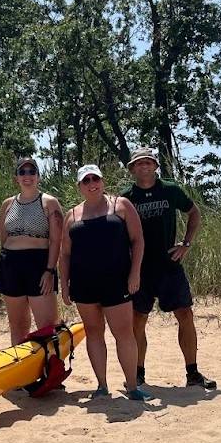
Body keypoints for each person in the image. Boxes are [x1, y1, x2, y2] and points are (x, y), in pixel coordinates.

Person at [121, 147, 217, 390]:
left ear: (155, 165)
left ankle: (192, 373)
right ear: (132, 169)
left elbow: (194, 213)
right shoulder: (126, 198)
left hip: (169, 265)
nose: (144, 166)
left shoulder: (171, 190)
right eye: (138, 163)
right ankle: (138, 373)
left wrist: (186, 243)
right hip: (140, 268)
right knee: (138, 319)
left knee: (185, 314)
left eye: (148, 162)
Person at [59, 164, 150, 401]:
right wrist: (65, 285)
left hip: (117, 281)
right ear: (79, 186)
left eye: (95, 179)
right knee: (93, 332)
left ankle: (132, 387)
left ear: (102, 180)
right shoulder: (73, 215)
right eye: (86, 180)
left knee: (124, 333)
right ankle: (101, 386)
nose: (92, 184)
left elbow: (138, 241)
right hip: (84, 283)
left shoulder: (121, 205)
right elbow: (65, 254)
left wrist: (135, 274)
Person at [0, 156, 63, 346]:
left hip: (39, 265)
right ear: (16, 177)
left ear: (38, 176)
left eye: (31, 171)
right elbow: (3, 237)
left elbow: (57, 240)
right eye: (22, 172)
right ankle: (22, 372)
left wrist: (49, 270)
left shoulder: (49, 202)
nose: (27, 176)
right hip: (11, 264)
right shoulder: (8, 204)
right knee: (17, 325)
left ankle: (50, 371)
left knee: (47, 327)